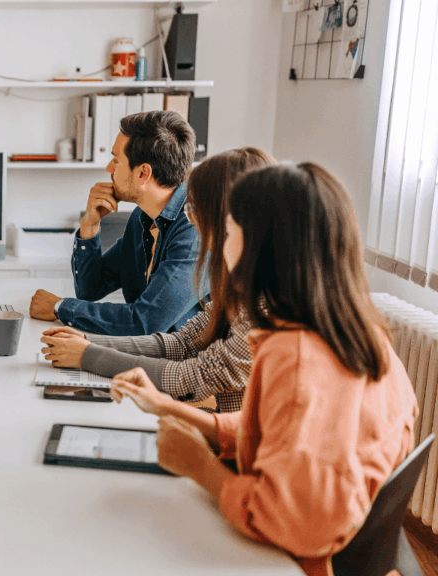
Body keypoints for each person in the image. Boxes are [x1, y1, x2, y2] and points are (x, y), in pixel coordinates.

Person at [109, 163, 418, 576]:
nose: (219, 240)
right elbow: (289, 431)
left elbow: (298, 525)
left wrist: (201, 467)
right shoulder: (361, 333)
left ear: (259, 246)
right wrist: (169, 406)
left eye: (231, 227)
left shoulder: (294, 355)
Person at [39, 148, 275, 412]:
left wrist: (87, 354)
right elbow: (183, 343)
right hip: (218, 421)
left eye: (200, 210)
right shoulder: (241, 287)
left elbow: (191, 375)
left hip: (233, 438)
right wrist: (85, 340)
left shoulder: (271, 308)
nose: (196, 223)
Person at [30, 110, 201, 336]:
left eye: (116, 160)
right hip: (144, 355)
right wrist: (89, 226)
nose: (109, 168)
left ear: (143, 173)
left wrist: (59, 307)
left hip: (181, 366)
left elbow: (144, 322)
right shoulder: (141, 218)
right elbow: (91, 290)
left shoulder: (195, 228)